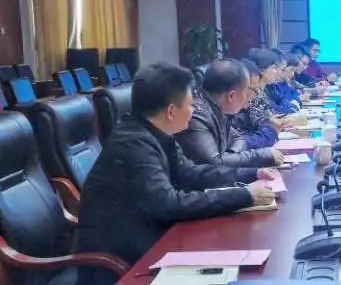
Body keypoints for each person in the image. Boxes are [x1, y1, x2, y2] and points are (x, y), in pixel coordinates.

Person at [77, 63, 277, 284]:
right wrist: (244, 196)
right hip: (121, 265)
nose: (194, 111)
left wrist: (252, 174)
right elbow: (169, 204)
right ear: (171, 111)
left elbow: (192, 174)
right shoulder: (132, 145)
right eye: (190, 104)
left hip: (153, 241)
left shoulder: (156, 133)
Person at [177, 58, 284, 167]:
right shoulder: (197, 115)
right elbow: (215, 163)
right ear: (231, 96)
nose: (252, 96)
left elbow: (238, 139)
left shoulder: (216, 107)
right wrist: (261, 156)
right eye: (249, 91)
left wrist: (230, 156)